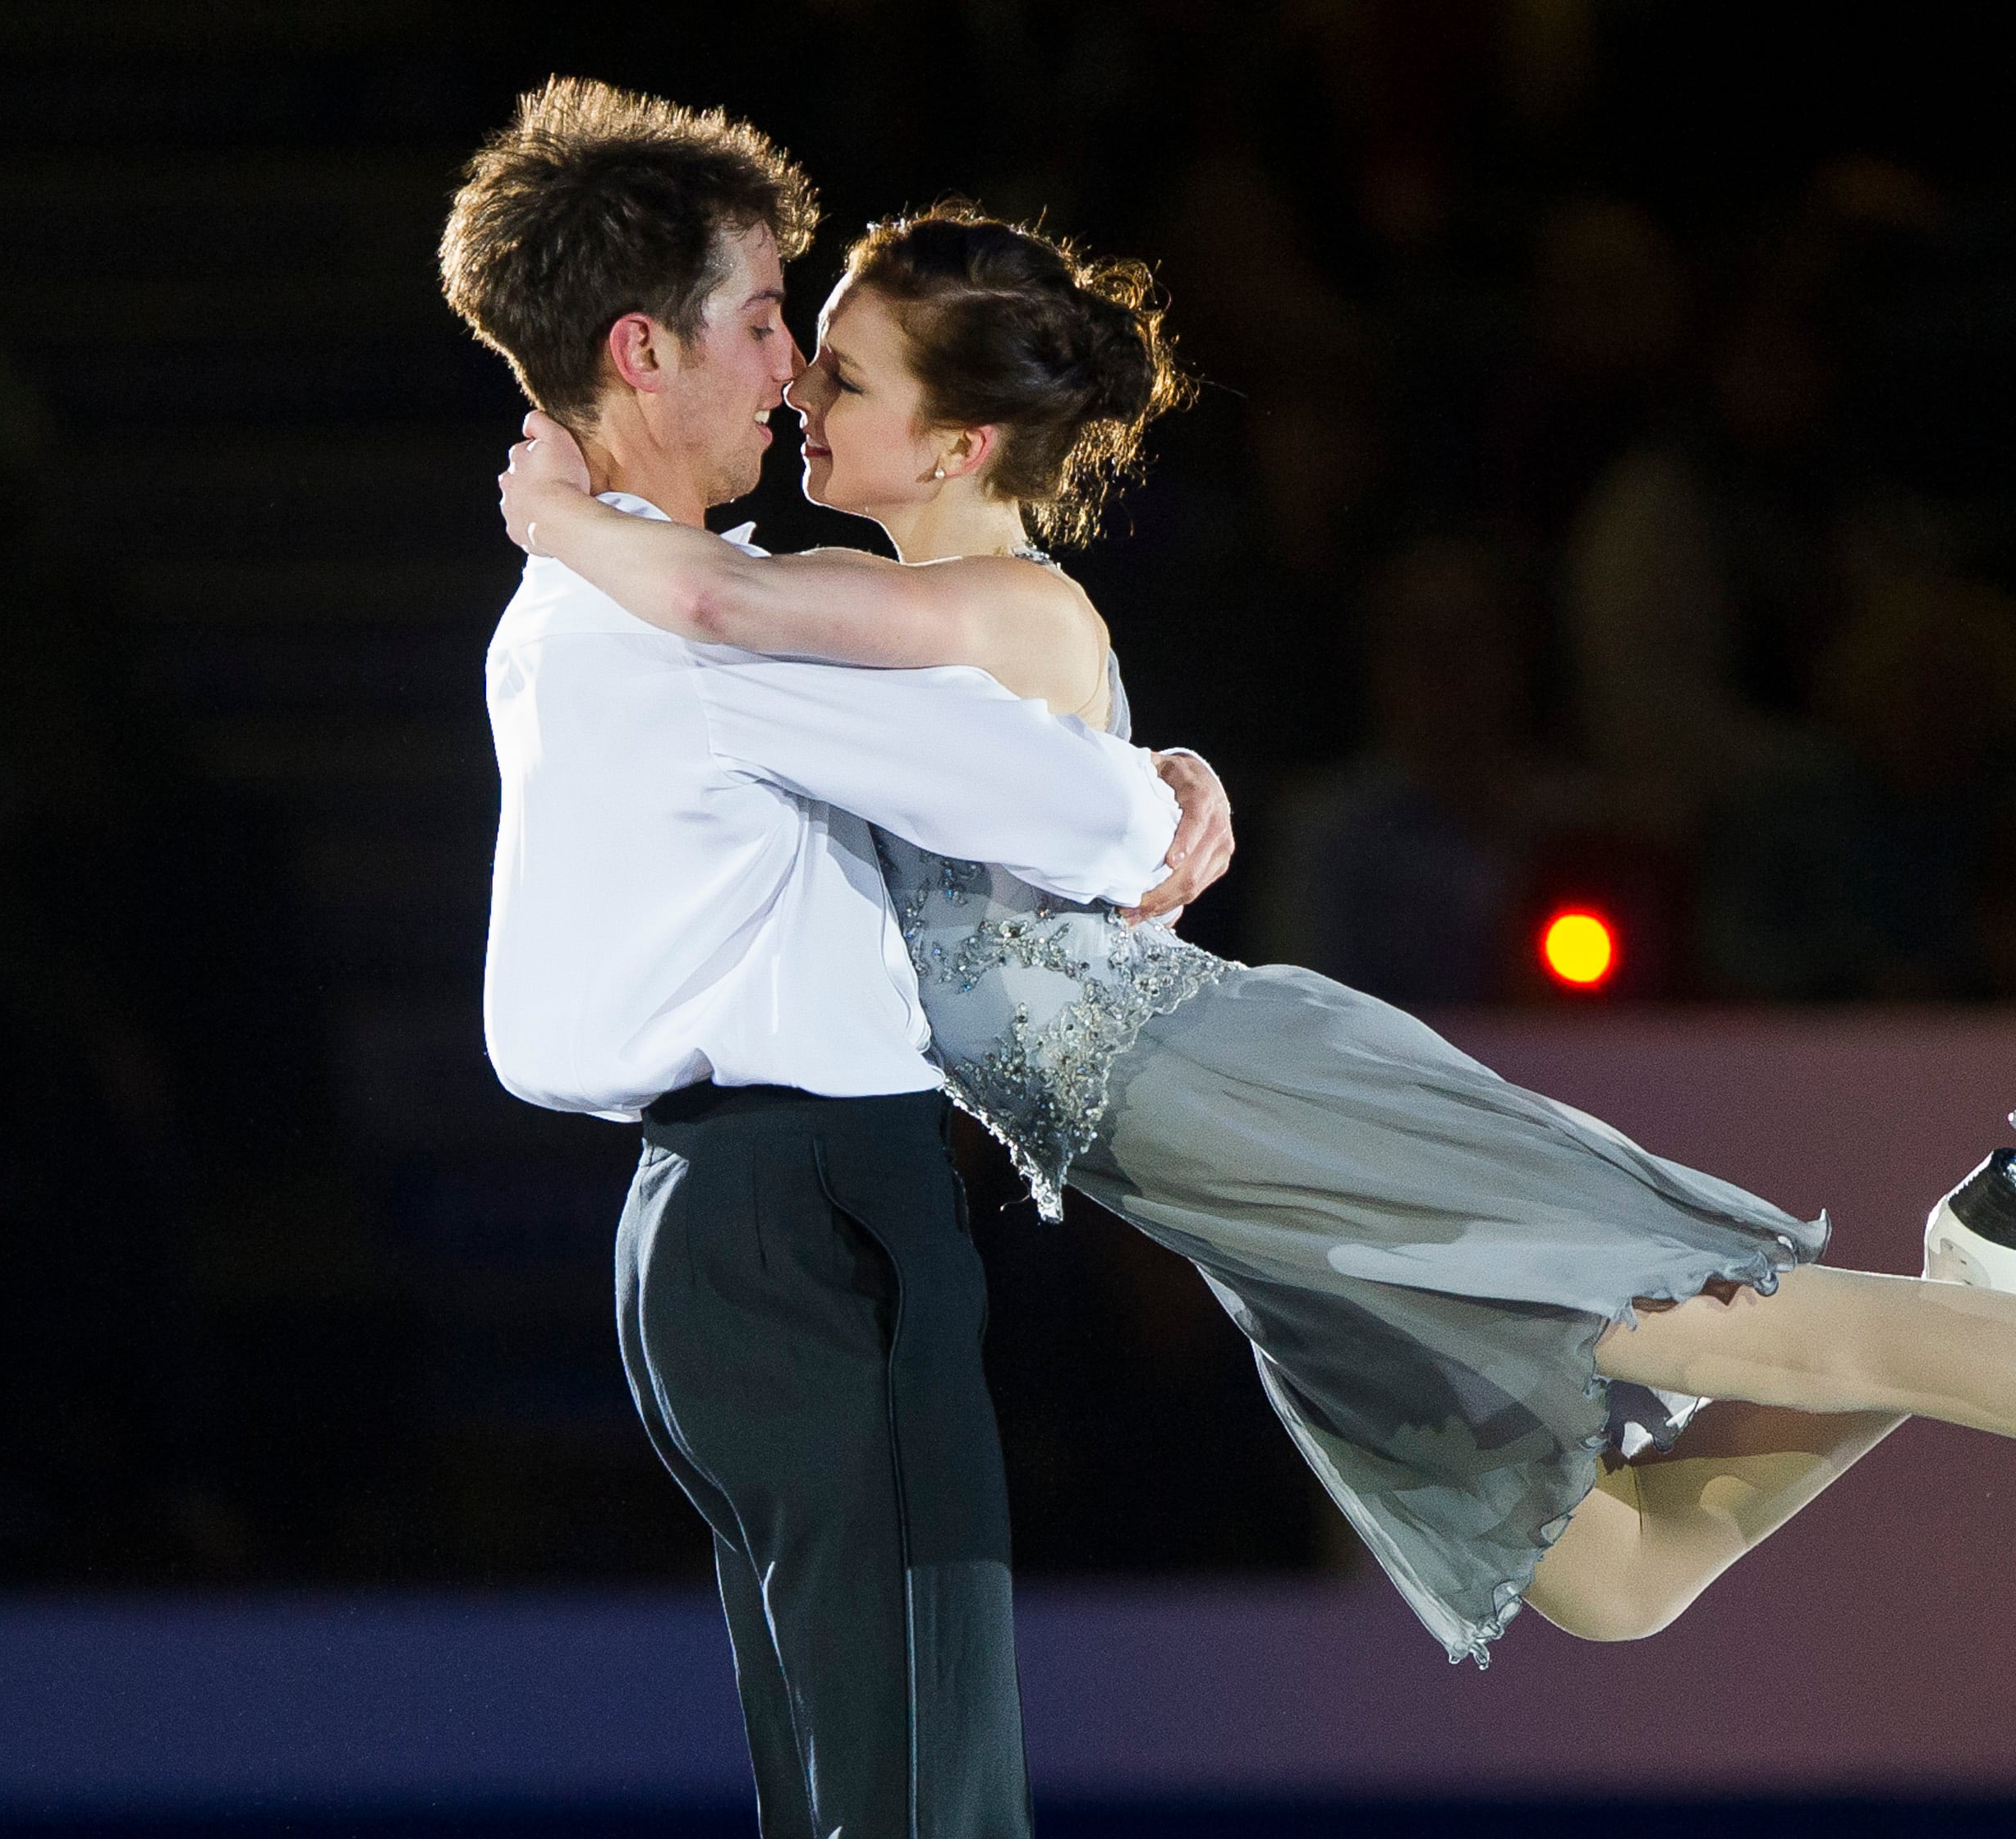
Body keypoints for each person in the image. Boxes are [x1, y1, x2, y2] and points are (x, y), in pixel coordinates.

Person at [497, 201, 2016, 1696]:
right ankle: (1985, 1268)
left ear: (956, 442)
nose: (808, 401)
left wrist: (561, 511)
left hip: (1235, 1104)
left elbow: (722, 613)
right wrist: (1179, 777)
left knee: (1741, 1333)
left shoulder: (981, 608)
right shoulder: (929, 645)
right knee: (1618, 1583)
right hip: (1214, 1195)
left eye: (839, 374)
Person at [440, 84, 1237, 1838]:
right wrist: (1163, 791)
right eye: (757, 321)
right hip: (808, 1207)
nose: (789, 364)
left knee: (859, 1782)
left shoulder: (616, 605)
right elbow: (1065, 813)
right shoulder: (694, 637)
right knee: (916, 1785)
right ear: (641, 351)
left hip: (738, 1218)